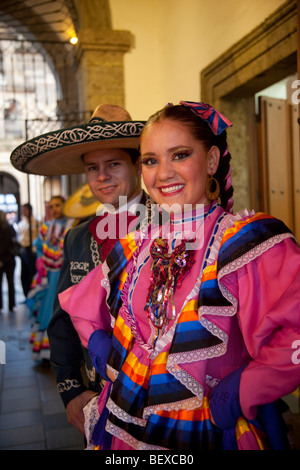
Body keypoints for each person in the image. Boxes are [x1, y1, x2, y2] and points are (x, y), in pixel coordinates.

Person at [59, 101, 300, 451]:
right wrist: (99, 343)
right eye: (151, 161)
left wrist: (248, 387)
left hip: (213, 433)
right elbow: (81, 304)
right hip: (125, 428)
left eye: (180, 155)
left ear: (212, 161)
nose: (163, 174)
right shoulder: (134, 247)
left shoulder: (249, 243)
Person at [10, 104, 147, 436]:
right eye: (92, 167)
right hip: (97, 391)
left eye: (113, 164)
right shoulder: (76, 236)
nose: (101, 177)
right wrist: (70, 390)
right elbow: (62, 320)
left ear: (137, 165)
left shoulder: (172, 223)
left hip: (162, 394)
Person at [28, 195, 76, 363]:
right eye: (52, 206)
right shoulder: (46, 227)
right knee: (47, 311)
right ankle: (47, 352)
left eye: (58, 205)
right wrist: (41, 262)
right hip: (49, 278)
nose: (55, 209)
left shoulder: (73, 225)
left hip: (65, 276)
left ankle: (65, 352)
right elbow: (40, 248)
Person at [17, 203, 38, 298]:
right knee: (23, 274)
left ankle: (32, 294)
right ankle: (26, 294)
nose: (23, 212)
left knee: (32, 272)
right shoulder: (22, 223)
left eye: (25, 209)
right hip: (23, 249)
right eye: (22, 210)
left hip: (32, 249)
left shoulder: (35, 222)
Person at [0, 210, 17, 312]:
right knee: (10, 282)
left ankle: (2, 305)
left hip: (4, 259)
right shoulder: (9, 227)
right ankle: (11, 304)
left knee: (5, 282)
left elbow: (5, 245)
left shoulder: (6, 228)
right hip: (10, 259)